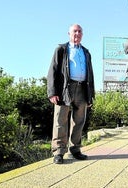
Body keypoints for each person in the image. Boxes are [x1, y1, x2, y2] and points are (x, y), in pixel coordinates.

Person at [47, 24, 95, 164]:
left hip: (82, 89)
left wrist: (90, 94)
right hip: (65, 89)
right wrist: (52, 92)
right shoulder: (61, 49)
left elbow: (90, 74)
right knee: (60, 120)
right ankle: (59, 152)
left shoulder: (86, 52)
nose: (77, 33)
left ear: (82, 34)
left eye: (80, 31)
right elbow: (53, 71)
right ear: (69, 33)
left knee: (79, 121)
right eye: (75, 31)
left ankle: (75, 150)